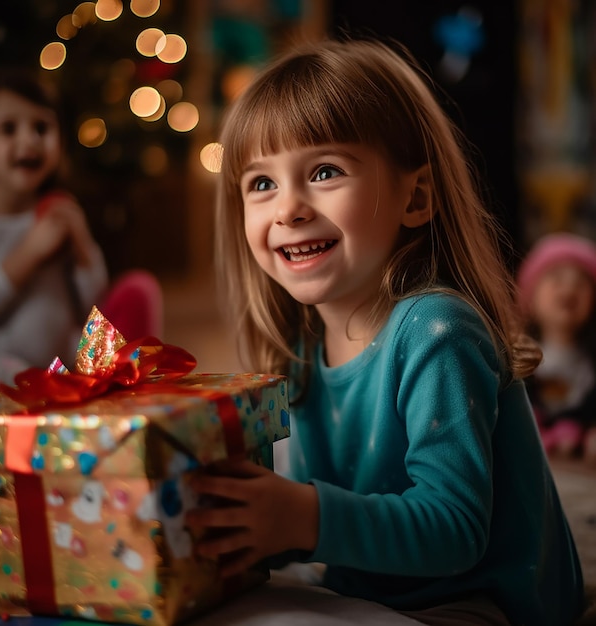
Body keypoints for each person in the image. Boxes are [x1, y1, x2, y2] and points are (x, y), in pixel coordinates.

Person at [184, 38, 586, 625]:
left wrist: (301, 518)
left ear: (415, 197)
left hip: (482, 600)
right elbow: (315, 520)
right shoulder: (298, 351)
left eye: (324, 171)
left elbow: (455, 531)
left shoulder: (438, 331)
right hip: (369, 592)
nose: (288, 208)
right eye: (261, 184)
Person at [0, 67, 108, 395]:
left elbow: (92, 299)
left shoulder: (60, 213)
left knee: (109, 349)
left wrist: (81, 242)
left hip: (63, 361)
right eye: (8, 129)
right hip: (1, 371)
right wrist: (28, 254)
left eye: (41, 127)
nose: (29, 140)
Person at [516, 232, 596, 463]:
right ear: (530, 298)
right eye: (556, 279)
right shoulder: (517, 355)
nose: (569, 289)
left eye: (581, 283)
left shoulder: (590, 361)